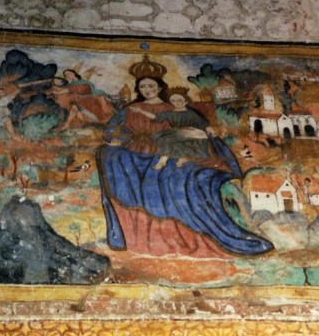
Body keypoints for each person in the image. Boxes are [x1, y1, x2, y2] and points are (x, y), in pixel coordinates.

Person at [96, 55, 272, 258]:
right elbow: (111, 132)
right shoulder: (129, 110)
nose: (147, 90)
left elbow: (195, 130)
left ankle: (192, 231)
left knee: (183, 174)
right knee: (113, 155)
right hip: (137, 149)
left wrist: (195, 136)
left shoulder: (175, 108)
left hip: (172, 149)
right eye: (143, 87)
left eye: (151, 86)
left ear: (159, 87)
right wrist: (120, 141)